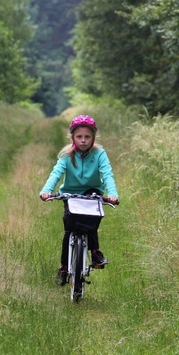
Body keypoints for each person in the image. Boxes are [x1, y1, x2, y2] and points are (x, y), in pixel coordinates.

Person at [39, 115, 120, 285]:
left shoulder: (99, 154)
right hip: (70, 194)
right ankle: (64, 267)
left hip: (92, 193)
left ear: (93, 138)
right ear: (72, 138)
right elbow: (56, 173)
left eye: (87, 137)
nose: (83, 141)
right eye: (79, 137)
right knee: (69, 230)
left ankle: (95, 252)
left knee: (90, 222)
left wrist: (112, 194)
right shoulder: (66, 155)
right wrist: (47, 191)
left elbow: (107, 174)